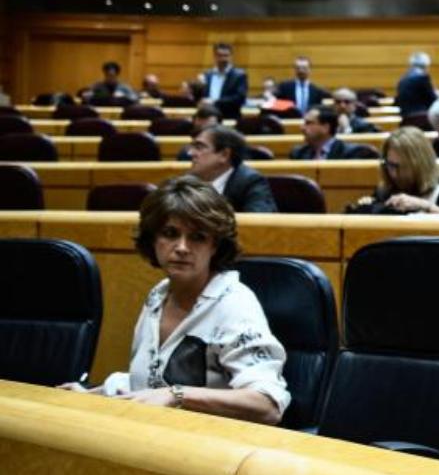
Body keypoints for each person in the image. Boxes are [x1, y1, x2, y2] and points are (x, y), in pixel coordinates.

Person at [60, 176, 289, 425]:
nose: (181, 247)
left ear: (216, 246)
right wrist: (91, 396)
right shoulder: (159, 295)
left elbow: (267, 405)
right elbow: (151, 384)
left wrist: (178, 395)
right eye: (170, 233)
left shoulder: (233, 305)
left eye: (198, 237)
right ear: (153, 240)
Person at [347, 127, 439, 215]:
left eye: (402, 167)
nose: (394, 174)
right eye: (390, 165)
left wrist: (426, 206)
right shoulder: (383, 192)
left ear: (419, 165)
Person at [187, 125, 278, 213]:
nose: (190, 153)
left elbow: (258, 224)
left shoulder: (250, 183)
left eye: (199, 147)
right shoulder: (187, 182)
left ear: (224, 155)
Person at [200, 43, 248, 119]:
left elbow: (240, 98)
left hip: (229, 116)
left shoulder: (239, 75)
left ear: (231, 56)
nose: (223, 59)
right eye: (220, 55)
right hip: (208, 116)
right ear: (215, 56)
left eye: (226, 56)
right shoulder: (207, 75)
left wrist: (215, 102)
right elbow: (202, 96)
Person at [291, 106, 357, 160]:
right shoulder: (298, 153)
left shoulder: (350, 153)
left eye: (309, 123)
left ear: (326, 127)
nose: (302, 128)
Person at [396, 51, 437, 116]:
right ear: (425, 66)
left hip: (405, 116)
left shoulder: (402, 79)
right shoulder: (423, 78)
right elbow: (433, 99)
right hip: (420, 116)